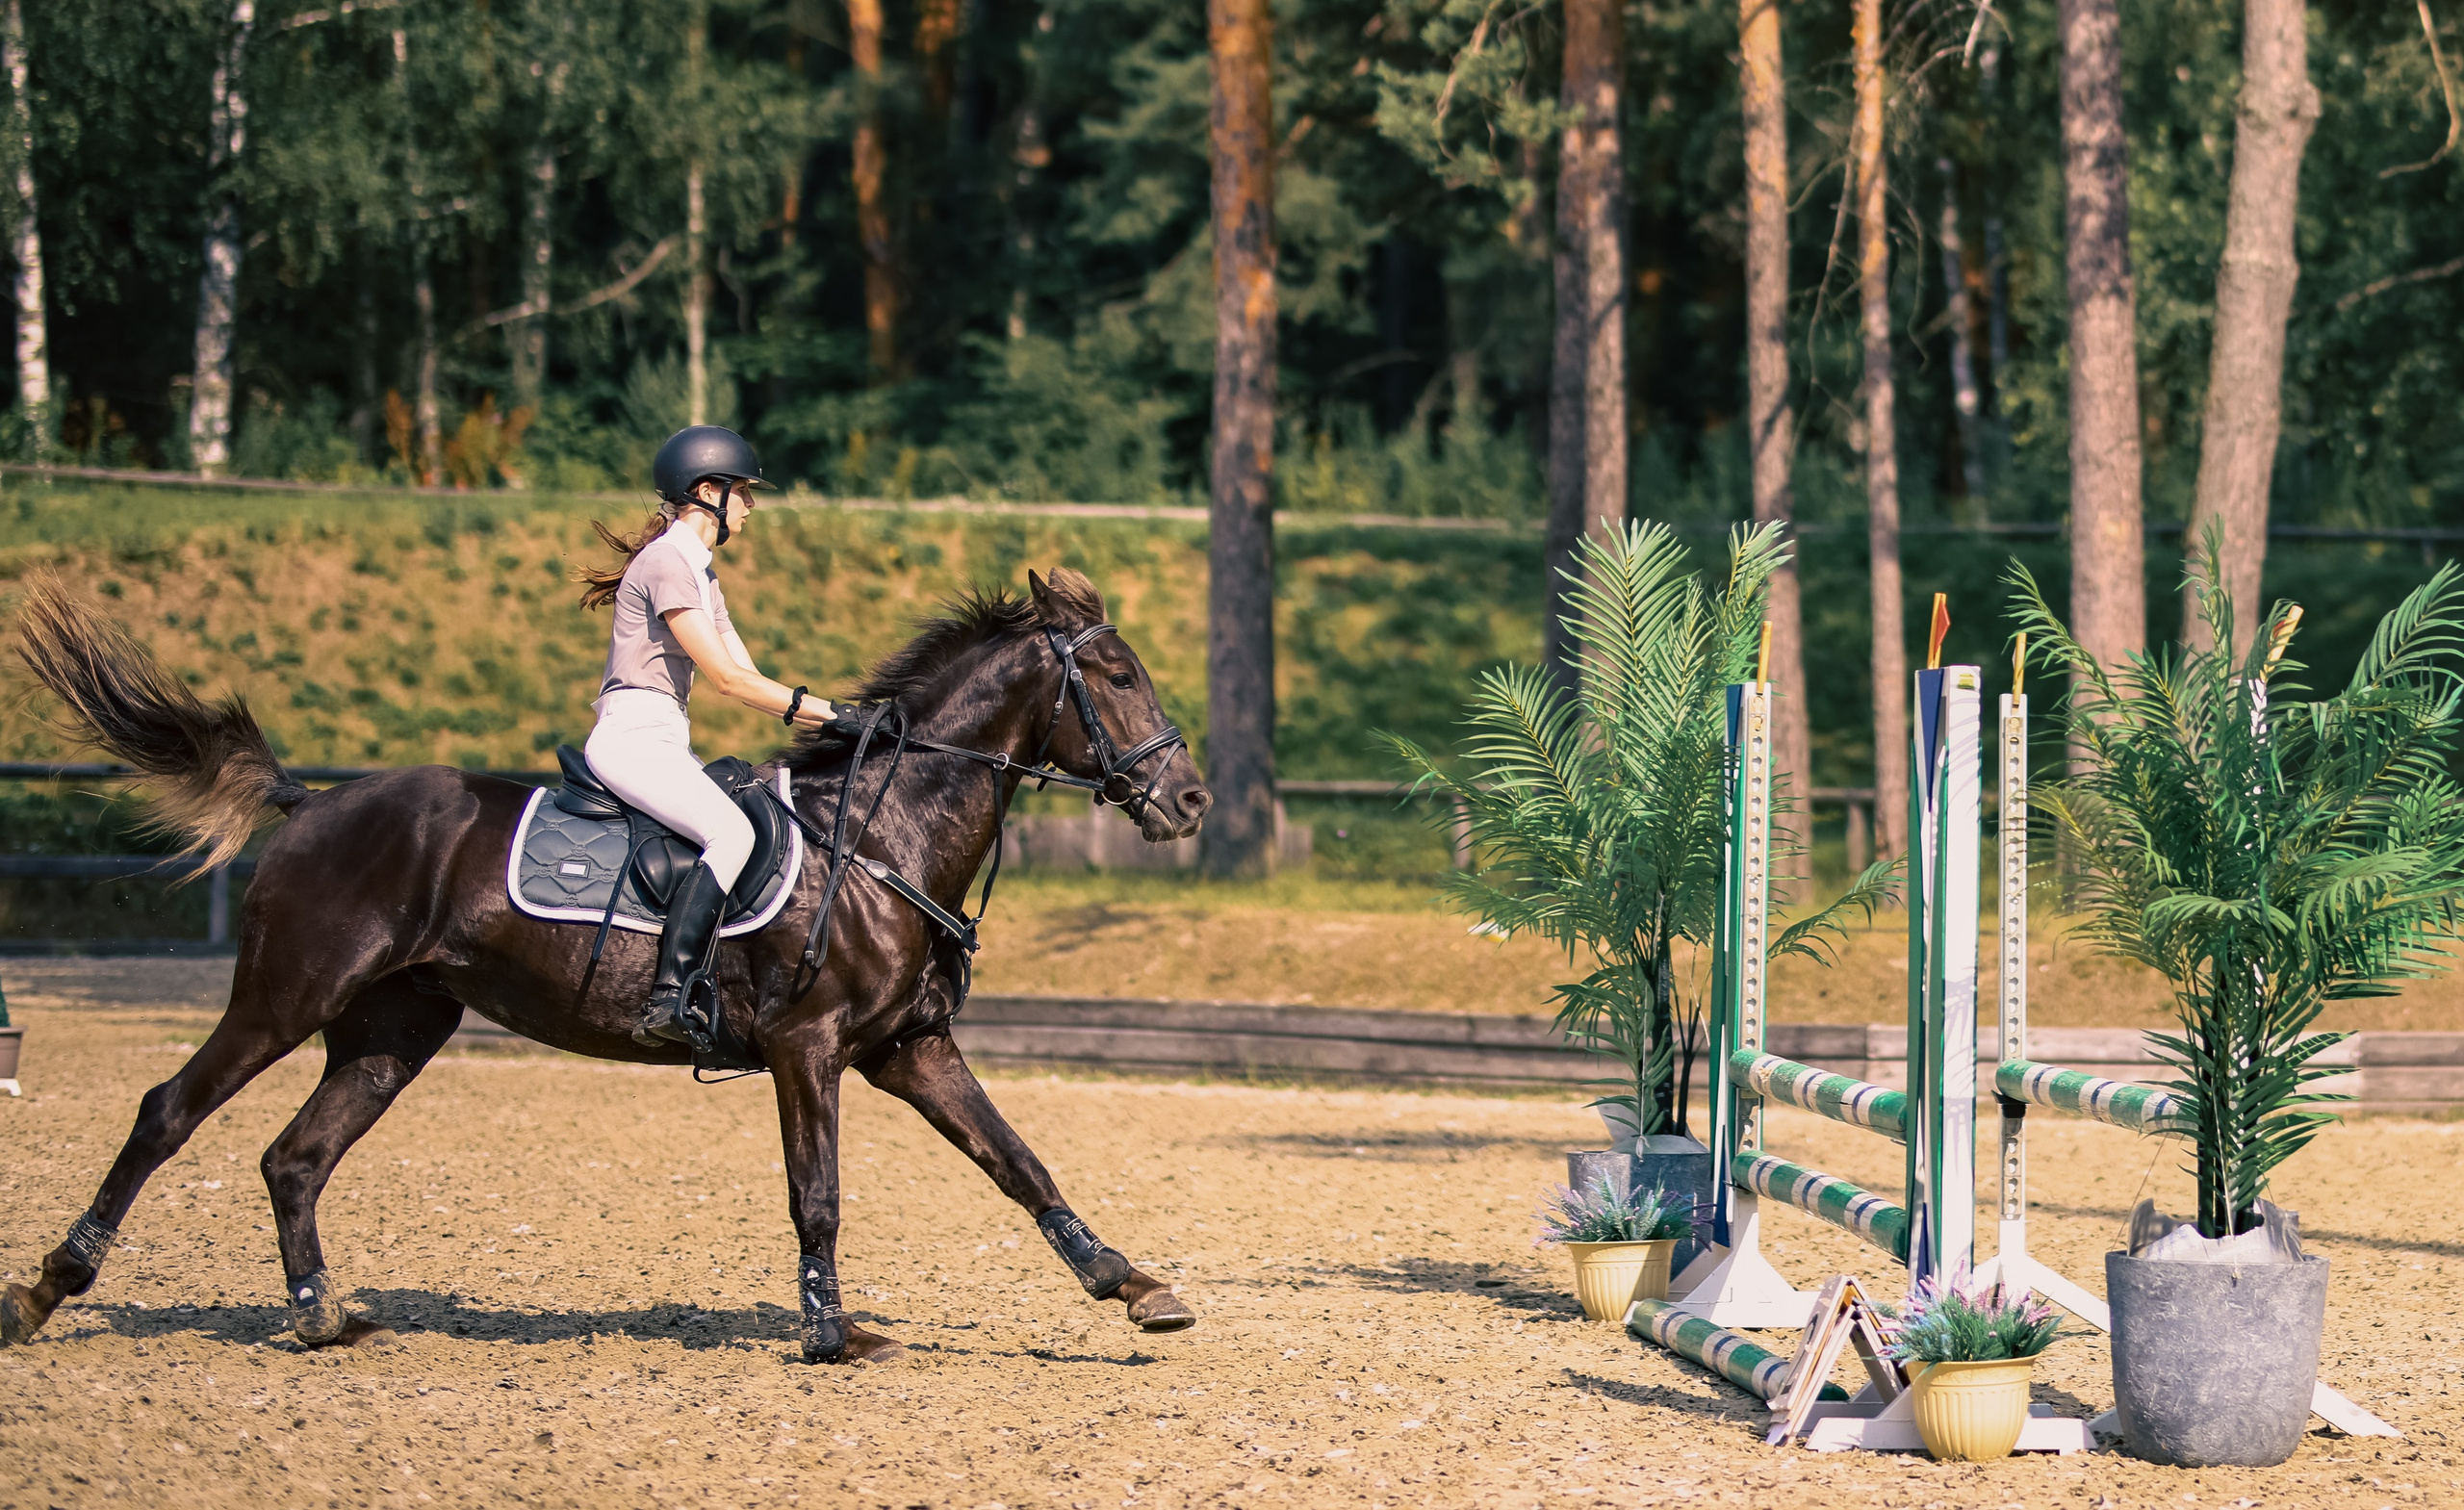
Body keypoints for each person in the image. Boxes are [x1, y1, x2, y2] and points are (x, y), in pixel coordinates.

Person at [578, 425, 836, 1046]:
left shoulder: (702, 574)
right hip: (632, 736)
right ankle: (671, 995)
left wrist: (845, 716)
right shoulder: (668, 562)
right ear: (706, 492)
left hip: (663, 738)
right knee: (733, 831)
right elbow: (724, 679)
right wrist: (836, 713)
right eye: (743, 492)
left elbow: (748, 675)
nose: (750, 506)